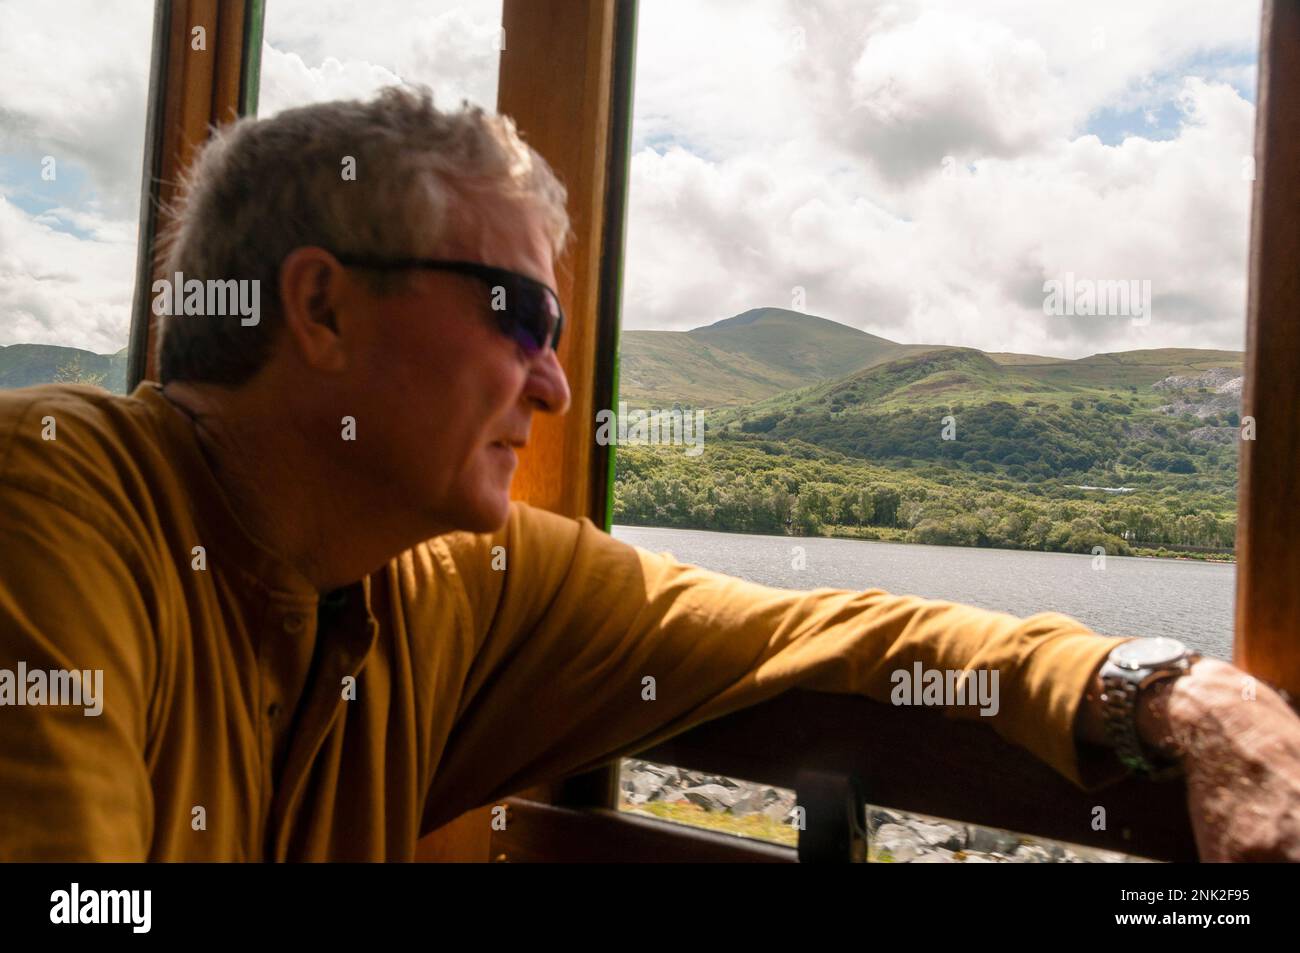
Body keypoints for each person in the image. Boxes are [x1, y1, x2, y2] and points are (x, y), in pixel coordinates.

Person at [1, 86, 1296, 862]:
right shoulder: (50, 509)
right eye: (519, 313)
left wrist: (1165, 690)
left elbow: (809, 630)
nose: (554, 385)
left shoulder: (451, 578)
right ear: (322, 308)